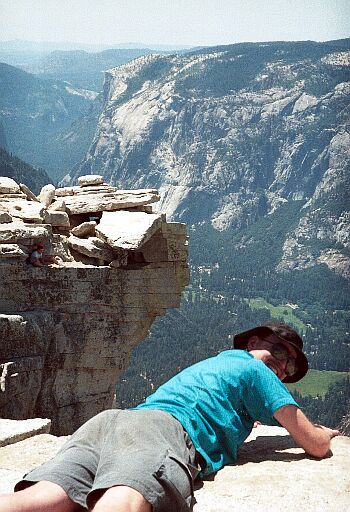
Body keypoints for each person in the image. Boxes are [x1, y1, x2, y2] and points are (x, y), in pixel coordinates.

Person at [0, 322, 340, 512]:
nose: (282, 365)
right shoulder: (254, 367)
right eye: (279, 352)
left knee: (45, 500)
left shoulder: (221, 363)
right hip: (159, 430)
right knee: (125, 501)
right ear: (253, 342)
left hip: (112, 422)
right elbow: (313, 443)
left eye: (290, 366)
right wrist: (326, 433)